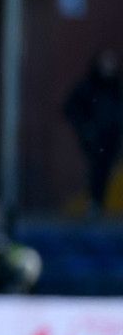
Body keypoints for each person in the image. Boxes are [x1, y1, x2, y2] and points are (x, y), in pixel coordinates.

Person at [64, 49, 123, 217]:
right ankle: (94, 204)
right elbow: (70, 108)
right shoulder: (88, 87)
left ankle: (99, 204)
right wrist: (86, 127)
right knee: (96, 171)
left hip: (112, 138)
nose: (109, 67)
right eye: (106, 62)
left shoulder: (115, 87)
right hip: (95, 139)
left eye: (112, 63)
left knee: (105, 171)